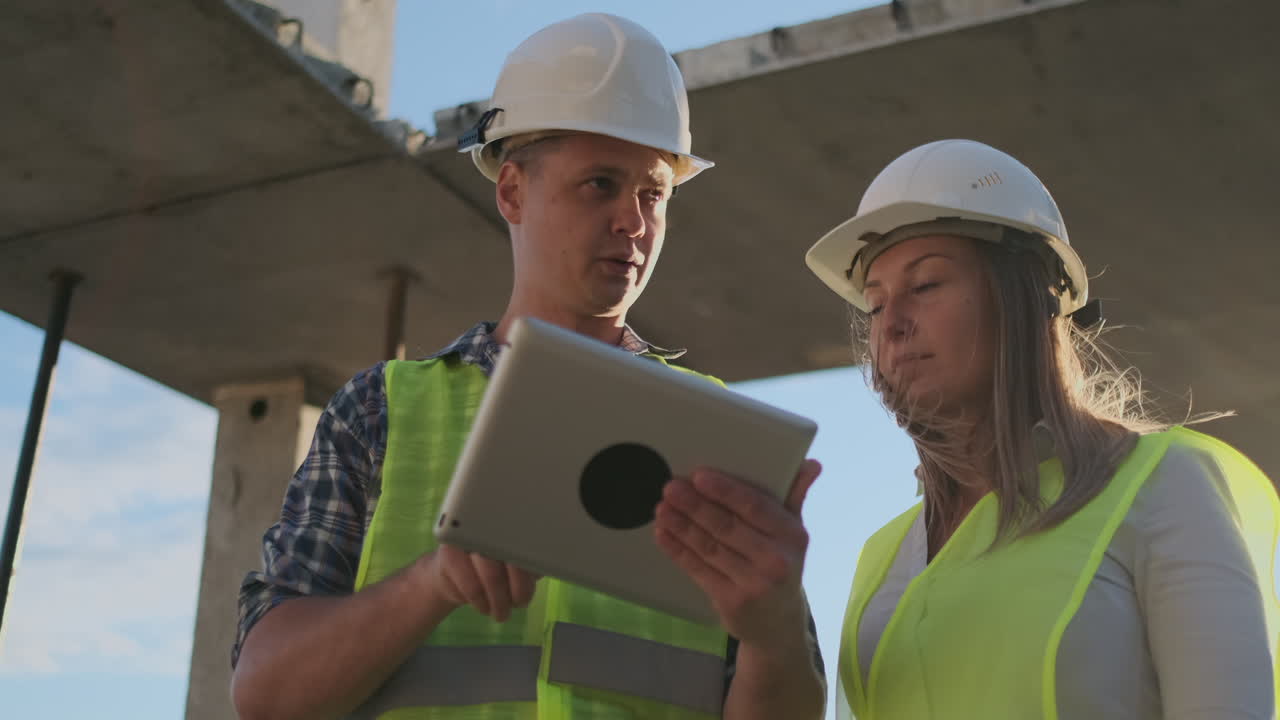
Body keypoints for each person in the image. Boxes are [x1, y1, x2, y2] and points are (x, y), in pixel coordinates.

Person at [230, 14, 825, 720]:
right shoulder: (380, 410)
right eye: (601, 183)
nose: (634, 222)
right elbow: (265, 696)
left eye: (653, 192)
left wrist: (775, 631)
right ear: (511, 190)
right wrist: (433, 583)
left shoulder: (721, 437)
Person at [804, 139, 1279, 719]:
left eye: (926, 285)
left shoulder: (1164, 489)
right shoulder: (883, 559)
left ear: (1028, 298)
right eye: (875, 306)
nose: (893, 326)